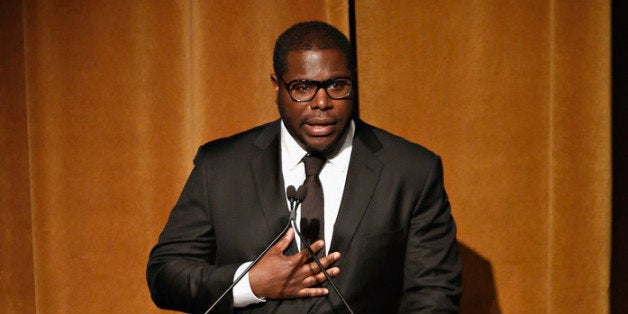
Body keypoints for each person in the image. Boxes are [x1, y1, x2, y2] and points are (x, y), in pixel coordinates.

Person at [146, 21, 462, 313]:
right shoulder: (220, 167)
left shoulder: (412, 171)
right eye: (302, 87)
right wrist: (251, 283)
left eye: (337, 85)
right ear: (277, 86)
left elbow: (433, 295)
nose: (321, 102)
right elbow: (166, 275)